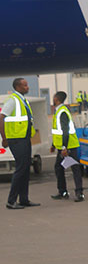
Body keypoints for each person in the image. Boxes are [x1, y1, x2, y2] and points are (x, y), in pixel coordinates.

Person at [2, 78, 39, 209]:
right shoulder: (13, 100)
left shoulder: (23, 101)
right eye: (25, 85)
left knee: (25, 168)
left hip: (24, 138)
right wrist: (4, 138)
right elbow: (1, 117)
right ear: (18, 87)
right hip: (16, 139)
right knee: (21, 168)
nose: (27, 87)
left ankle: (24, 199)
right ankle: (11, 201)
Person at [49, 91, 84, 202]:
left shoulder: (62, 112)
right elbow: (57, 131)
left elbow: (65, 131)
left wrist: (64, 148)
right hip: (63, 146)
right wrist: (54, 145)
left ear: (56, 99)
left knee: (74, 169)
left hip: (69, 147)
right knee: (59, 168)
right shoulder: (59, 111)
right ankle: (62, 191)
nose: (53, 99)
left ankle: (79, 193)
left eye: (54, 97)